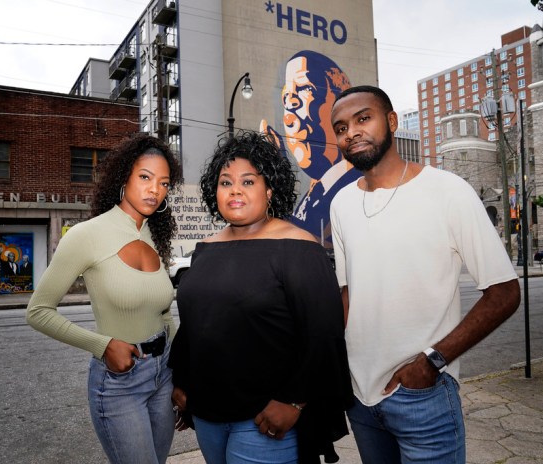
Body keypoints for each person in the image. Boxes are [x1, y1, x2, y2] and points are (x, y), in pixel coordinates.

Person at [329, 85, 521, 463]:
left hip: (422, 394)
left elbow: (504, 292)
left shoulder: (448, 191)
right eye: (340, 127)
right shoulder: (341, 203)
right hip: (359, 396)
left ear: (391, 121)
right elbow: (347, 294)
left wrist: (432, 362)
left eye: (363, 118)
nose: (351, 132)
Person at [169, 131, 353, 464]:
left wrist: (294, 401)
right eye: (225, 182)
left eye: (248, 181)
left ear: (269, 190)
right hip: (207, 413)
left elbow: (324, 335)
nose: (235, 189)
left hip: (265, 420)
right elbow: (194, 326)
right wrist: (181, 381)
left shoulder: (300, 246)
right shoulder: (206, 249)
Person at [26, 133, 182, 464]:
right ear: (123, 176)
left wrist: (185, 369)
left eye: (164, 183)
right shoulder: (87, 235)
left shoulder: (154, 235)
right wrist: (103, 345)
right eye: (145, 177)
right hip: (120, 382)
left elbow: (164, 315)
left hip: (165, 373)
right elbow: (38, 311)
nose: (155, 190)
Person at [260, 50, 360, 243]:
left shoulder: (357, 188)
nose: (289, 112)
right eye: (286, 99)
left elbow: (307, 242)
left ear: (340, 107)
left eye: (305, 89)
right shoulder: (312, 193)